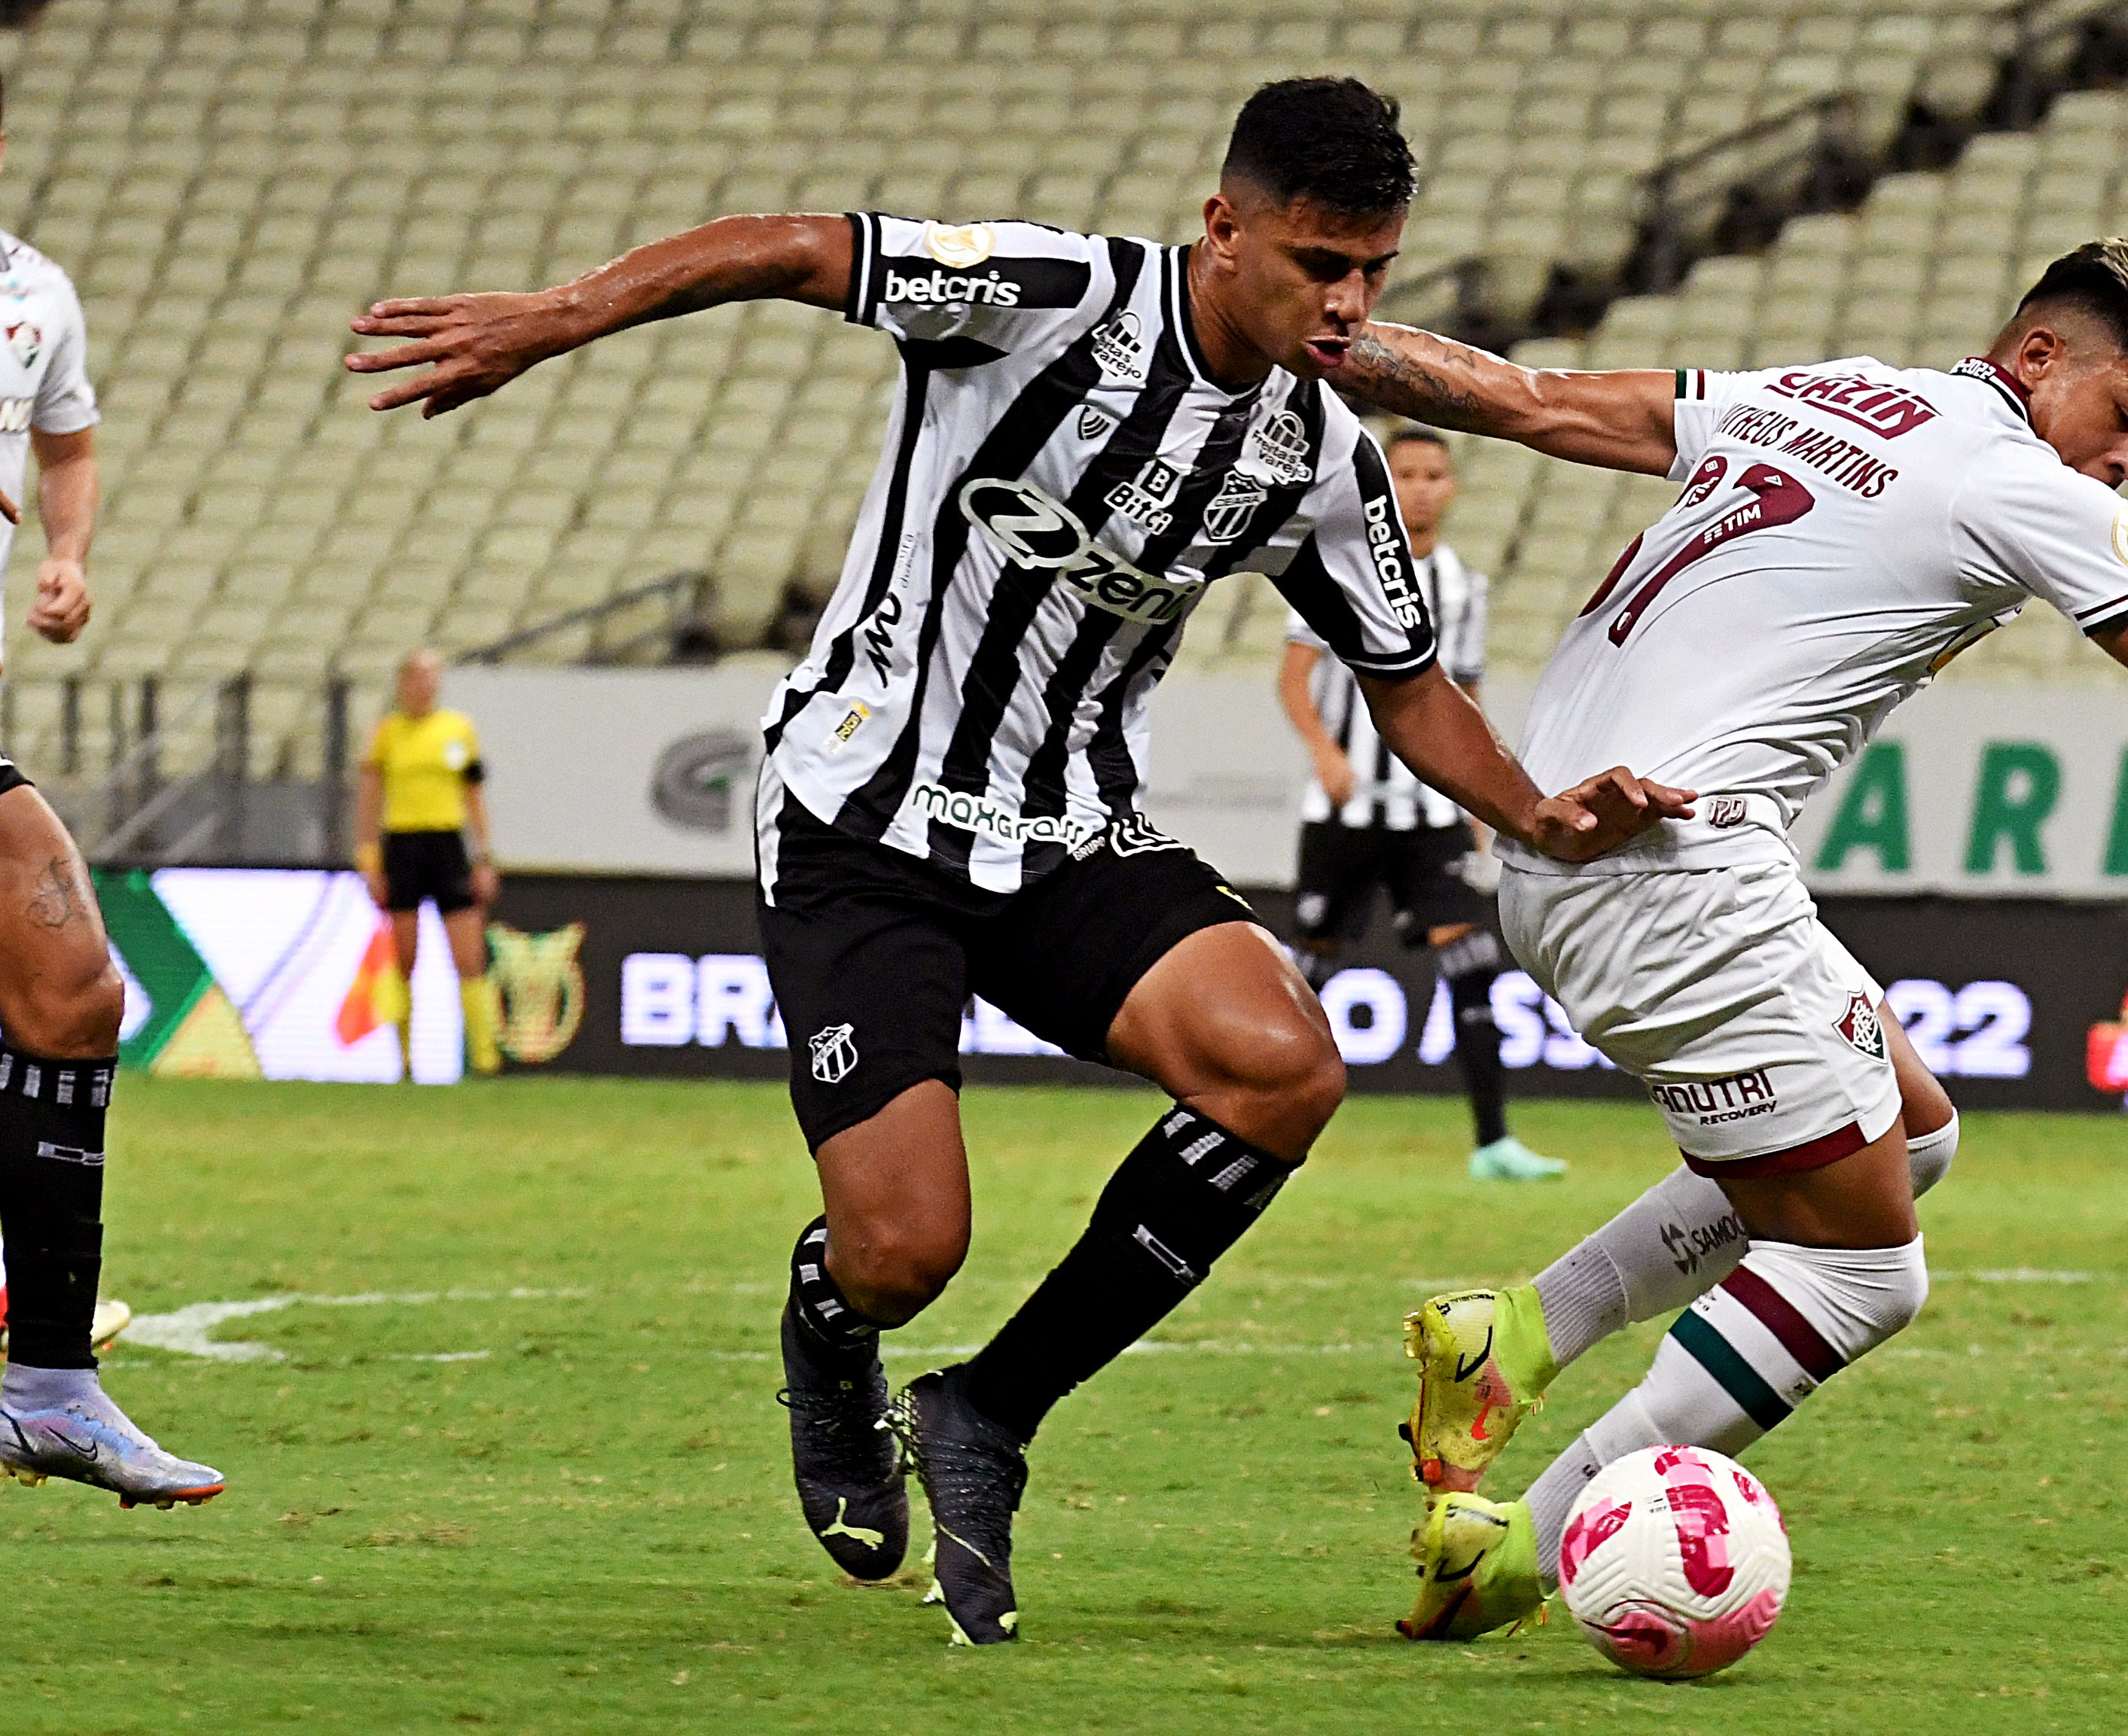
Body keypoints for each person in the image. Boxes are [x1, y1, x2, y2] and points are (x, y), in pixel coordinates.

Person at [346, 77, 1687, 1645]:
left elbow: (1406, 685)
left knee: (1282, 1068)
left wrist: (1531, 813)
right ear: (1222, 228)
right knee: (906, 1247)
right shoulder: (1044, 296)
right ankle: (835, 1319)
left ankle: (988, 1412)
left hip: (1066, 831)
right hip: (862, 819)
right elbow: (790, 245)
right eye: (1320, 260)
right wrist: (554, 319)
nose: (1349, 301)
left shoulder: (1318, 455)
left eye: (1374, 270)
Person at [1321, 237, 2128, 1637]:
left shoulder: (1828, 393)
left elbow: (1522, 398)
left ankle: (1521, 1334)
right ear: (2040, 358)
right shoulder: (2014, 482)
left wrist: (1308, 336)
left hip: (1560, 848)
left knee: (1912, 1135)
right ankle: (1521, 1551)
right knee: (1864, 1268)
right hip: (1674, 872)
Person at [0, 68, 227, 1508]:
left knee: (75, 988)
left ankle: (49, 1391)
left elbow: (66, 447)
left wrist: (68, 552)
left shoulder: (35, 292)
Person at [1277, 425, 1560, 1181]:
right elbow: (1293, 678)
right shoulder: (1339, 566)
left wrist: (1480, 806)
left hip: (1429, 815)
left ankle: (1494, 1142)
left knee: (1471, 963)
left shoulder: (1466, 588)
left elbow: (1464, 699)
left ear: (1454, 487)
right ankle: (1258, 1116)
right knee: (1305, 974)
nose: (1421, 488)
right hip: (1344, 813)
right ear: (1385, 482)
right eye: (1405, 474)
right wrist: (1325, 750)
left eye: (1435, 473)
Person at [355, 647, 502, 1079]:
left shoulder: (457, 731)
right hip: (402, 846)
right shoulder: (385, 735)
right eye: (418, 679)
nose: (426, 687)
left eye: (432, 679)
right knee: (405, 957)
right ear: (404, 684)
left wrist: (484, 855)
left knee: (469, 955)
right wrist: (369, 859)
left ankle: (485, 1059)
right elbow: (369, 801)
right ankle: (403, 1060)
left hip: (447, 846)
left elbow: (474, 795)